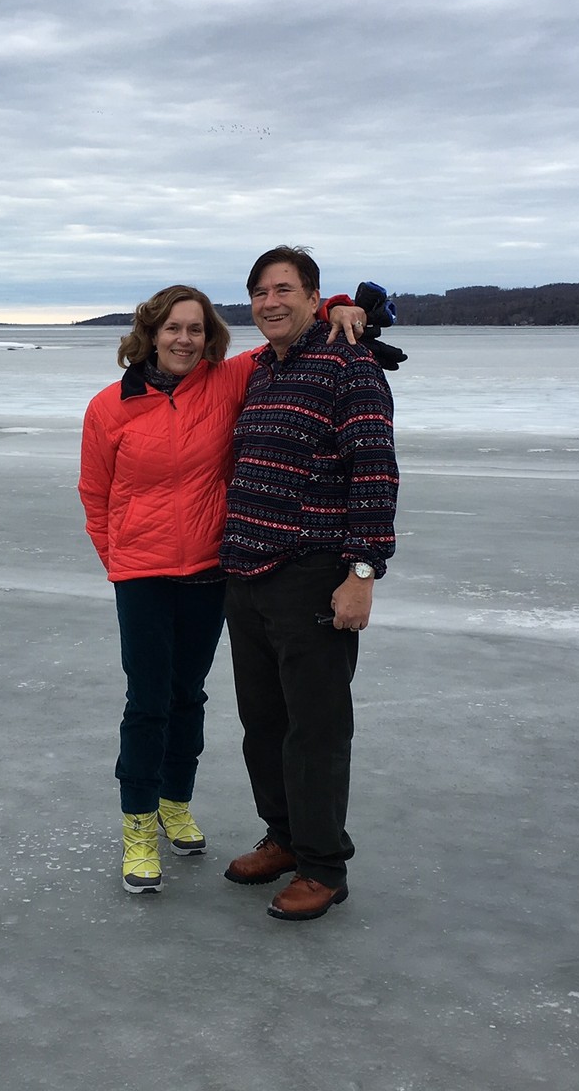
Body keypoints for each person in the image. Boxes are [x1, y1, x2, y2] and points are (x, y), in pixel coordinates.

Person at [79, 284, 369, 894]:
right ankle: (138, 826)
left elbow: (286, 330)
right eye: (172, 329)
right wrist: (122, 557)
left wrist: (337, 305)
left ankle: (175, 802)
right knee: (148, 700)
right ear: (150, 334)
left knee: (189, 697)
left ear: (209, 338)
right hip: (143, 576)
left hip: (212, 571)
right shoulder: (110, 407)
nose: (184, 339)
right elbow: (95, 495)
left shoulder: (229, 380)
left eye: (196, 329)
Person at [219, 246, 399, 921]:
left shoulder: (350, 366)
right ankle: (285, 838)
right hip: (246, 572)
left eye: (284, 289)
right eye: (260, 291)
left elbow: (375, 473)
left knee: (316, 728)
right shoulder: (261, 370)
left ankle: (324, 865)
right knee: (262, 724)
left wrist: (362, 573)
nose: (270, 302)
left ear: (313, 296)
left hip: (314, 575)